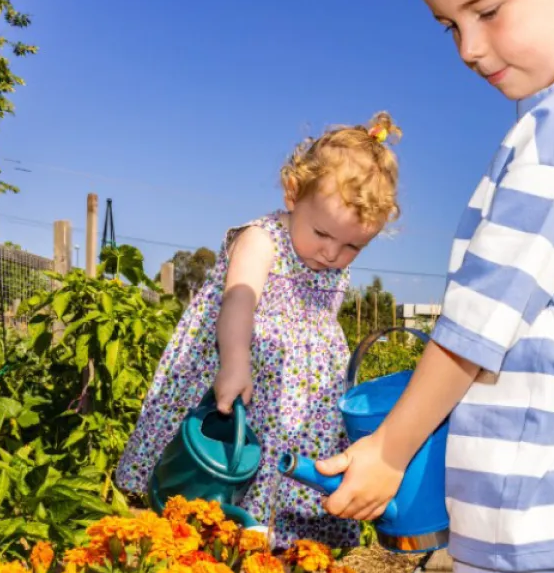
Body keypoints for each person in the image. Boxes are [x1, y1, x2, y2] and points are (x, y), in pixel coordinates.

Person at [317, 0, 554, 573]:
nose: (468, 48)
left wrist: (389, 450)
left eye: (486, 10)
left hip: (530, 489)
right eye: (450, 26)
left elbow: (478, 321)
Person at [115, 111, 403, 550]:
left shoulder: (327, 258)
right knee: (221, 475)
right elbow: (239, 298)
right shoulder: (262, 239)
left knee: (285, 484)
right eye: (323, 233)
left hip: (301, 403)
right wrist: (235, 360)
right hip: (245, 372)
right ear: (293, 194)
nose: (332, 254)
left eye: (352, 247)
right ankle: (211, 532)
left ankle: (275, 546)